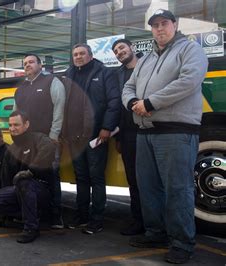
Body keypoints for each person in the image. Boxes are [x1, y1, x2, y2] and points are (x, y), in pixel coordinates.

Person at [122, 9, 208, 264]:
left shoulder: (190, 50)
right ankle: (156, 233)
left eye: (164, 23)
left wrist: (151, 102)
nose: (160, 28)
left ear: (174, 25)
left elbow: (189, 81)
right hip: (145, 131)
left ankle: (182, 243)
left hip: (176, 131)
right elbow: (128, 85)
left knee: (177, 190)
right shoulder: (146, 59)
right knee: (148, 188)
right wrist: (133, 103)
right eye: (155, 25)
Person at [64, 43, 120, 234]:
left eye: (82, 54)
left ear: (90, 55)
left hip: (96, 135)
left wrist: (107, 128)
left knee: (96, 177)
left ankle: (97, 220)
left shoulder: (104, 73)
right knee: (80, 177)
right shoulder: (68, 74)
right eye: (75, 54)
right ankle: (81, 216)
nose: (78, 57)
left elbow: (114, 102)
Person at [0, 111, 56, 243]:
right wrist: (4, 215)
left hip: (41, 189)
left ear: (26, 124)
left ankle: (31, 228)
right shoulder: (10, 150)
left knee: (24, 182)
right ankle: (28, 216)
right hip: (19, 190)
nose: (12, 128)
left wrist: (31, 171)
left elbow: (49, 148)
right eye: (10, 125)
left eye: (16, 124)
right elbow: (6, 180)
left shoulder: (39, 138)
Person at [14, 54, 66, 229]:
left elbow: (59, 109)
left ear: (40, 64)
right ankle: (29, 214)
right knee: (26, 175)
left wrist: (54, 135)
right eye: (25, 63)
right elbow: (15, 116)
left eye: (31, 62)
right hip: (26, 142)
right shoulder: (20, 89)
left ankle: (55, 216)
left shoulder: (52, 81)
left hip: (46, 139)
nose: (27, 65)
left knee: (50, 176)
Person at [111, 39, 144, 236]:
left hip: (150, 130)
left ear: (132, 47)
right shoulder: (117, 74)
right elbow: (117, 106)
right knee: (133, 180)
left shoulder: (148, 65)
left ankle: (156, 223)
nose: (119, 52)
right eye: (116, 51)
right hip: (128, 134)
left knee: (152, 181)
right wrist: (119, 138)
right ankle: (138, 220)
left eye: (122, 48)